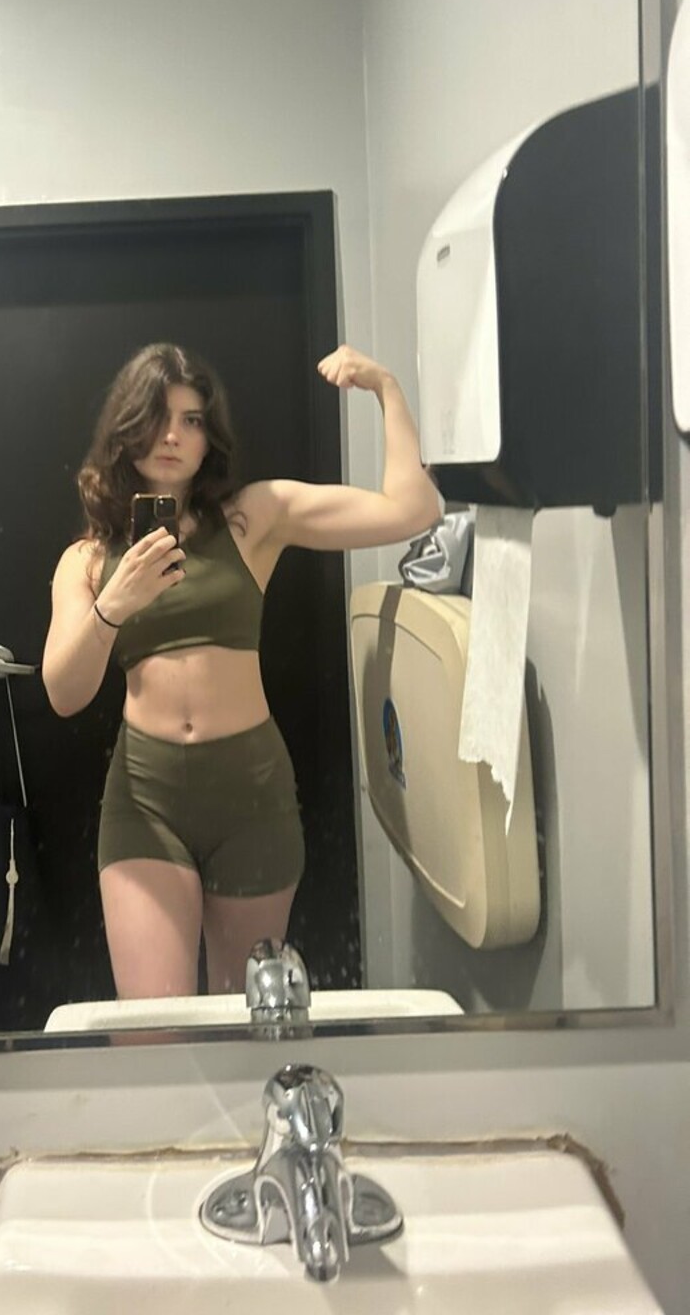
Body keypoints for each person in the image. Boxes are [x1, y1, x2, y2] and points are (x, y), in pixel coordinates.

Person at [42, 341, 440, 999]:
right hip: (145, 802)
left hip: (251, 796)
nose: (173, 435)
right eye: (157, 416)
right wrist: (115, 604)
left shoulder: (252, 518)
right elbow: (63, 693)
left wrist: (386, 388)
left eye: (192, 419)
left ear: (210, 439)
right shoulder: (85, 561)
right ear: (126, 428)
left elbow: (413, 510)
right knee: (154, 1030)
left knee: (244, 1018)